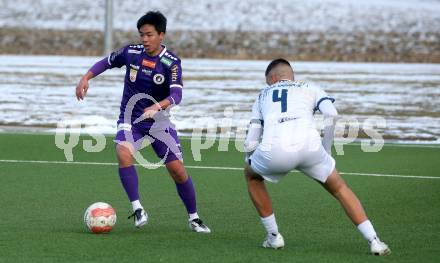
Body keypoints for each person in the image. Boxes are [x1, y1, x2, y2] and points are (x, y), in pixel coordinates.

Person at [75, 11, 210, 233]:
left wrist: (157, 106)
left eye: (149, 35)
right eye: (141, 35)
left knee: (177, 170)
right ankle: (138, 209)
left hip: (159, 123)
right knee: (123, 152)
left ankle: (194, 218)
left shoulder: (171, 63)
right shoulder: (131, 52)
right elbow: (107, 62)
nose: (144, 39)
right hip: (131, 119)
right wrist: (86, 78)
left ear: (161, 35)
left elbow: (177, 95)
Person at [243, 58, 390, 255]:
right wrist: (326, 149)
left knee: (252, 175)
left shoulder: (262, 95)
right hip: (311, 148)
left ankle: (273, 237)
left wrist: (250, 157)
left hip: (275, 150)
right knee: (339, 187)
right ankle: (375, 241)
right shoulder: (311, 87)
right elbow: (332, 114)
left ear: (273, 77)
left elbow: (252, 137)